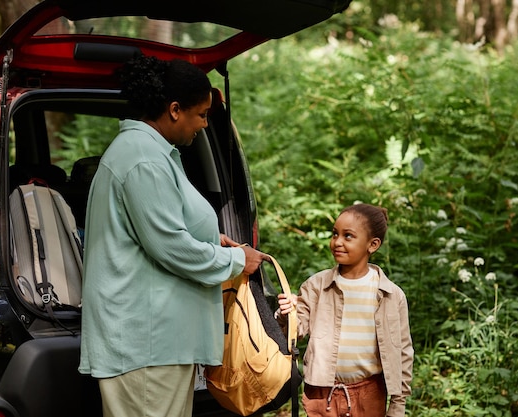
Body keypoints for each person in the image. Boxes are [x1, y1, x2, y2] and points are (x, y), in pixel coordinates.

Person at [78, 55, 268, 417]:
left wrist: (215, 242)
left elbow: (167, 229)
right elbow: (170, 246)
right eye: (202, 114)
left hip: (158, 344)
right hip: (145, 345)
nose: (204, 124)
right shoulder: (143, 159)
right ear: (175, 109)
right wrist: (237, 260)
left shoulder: (154, 153)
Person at [277, 203, 413, 417]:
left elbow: (403, 351)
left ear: (373, 244)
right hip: (321, 395)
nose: (337, 242)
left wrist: (398, 403)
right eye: (335, 234)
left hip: (370, 394)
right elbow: (296, 331)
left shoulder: (391, 295)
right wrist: (287, 313)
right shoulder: (316, 286)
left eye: (348, 236)